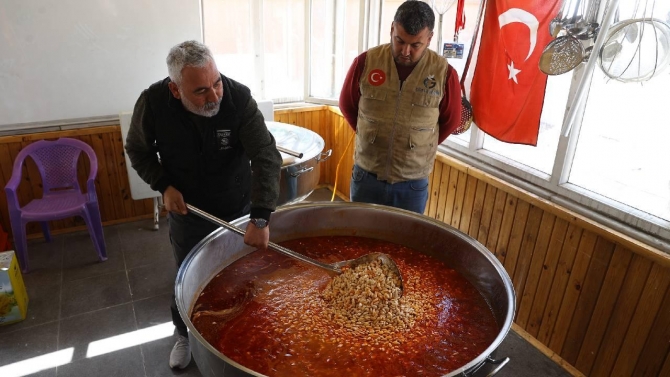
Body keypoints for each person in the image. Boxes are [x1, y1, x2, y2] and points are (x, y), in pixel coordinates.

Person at [124, 40, 281, 369]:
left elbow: (266, 157)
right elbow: (137, 149)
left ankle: (244, 329)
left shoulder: (238, 98)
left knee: (242, 273)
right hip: (188, 210)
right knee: (187, 277)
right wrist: (163, 185)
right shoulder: (153, 103)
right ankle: (183, 334)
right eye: (201, 91)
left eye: (216, 83)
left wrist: (261, 217)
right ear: (176, 90)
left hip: (236, 206)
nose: (214, 97)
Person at [339, 0, 462, 214]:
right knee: (359, 240)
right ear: (392, 29)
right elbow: (347, 105)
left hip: (412, 185)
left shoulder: (444, 73)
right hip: (366, 176)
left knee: (404, 245)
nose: (405, 51)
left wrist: (421, 146)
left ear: (429, 39)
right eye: (399, 40)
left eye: (415, 45)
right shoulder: (366, 62)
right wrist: (368, 135)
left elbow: (451, 120)